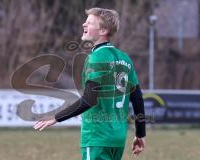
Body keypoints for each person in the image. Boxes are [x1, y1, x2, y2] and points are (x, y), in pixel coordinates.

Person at [34, 7, 146, 160]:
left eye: (90, 23)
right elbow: (137, 98)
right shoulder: (125, 58)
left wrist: (56, 117)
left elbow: (89, 99)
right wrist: (140, 133)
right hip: (117, 138)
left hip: (97, 137)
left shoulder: (96, 58)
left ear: (103, 30)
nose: (84, 25)